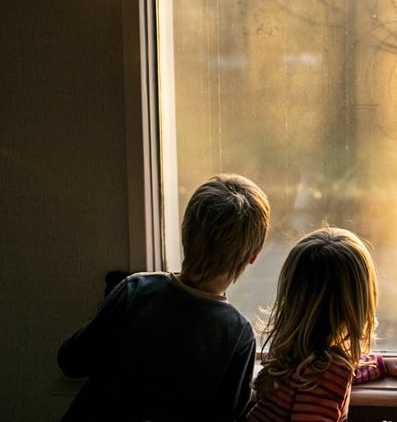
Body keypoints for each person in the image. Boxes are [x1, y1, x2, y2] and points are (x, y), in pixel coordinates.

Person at [57, 173, 271, 422]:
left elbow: (71, 361)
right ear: (253, 255)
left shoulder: (136, 290)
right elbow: (228, 415)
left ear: (184, 233)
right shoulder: (237, 335)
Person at [245, 227, 397, 422]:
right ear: (359, 305)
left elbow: (325, 373)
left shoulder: (293, 354)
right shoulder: (328, 372)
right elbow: (326, 378)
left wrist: (380, 365)